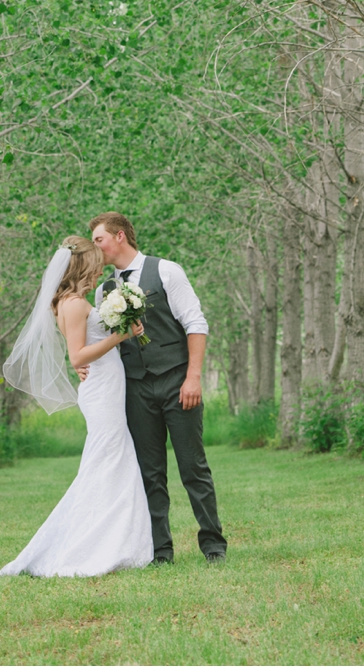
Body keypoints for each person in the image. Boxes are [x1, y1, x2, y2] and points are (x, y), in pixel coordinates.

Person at [0, 235, 153, 577]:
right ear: (82, 266)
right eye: (95, 268)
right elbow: (78, 355)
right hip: (101, 389)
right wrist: (121, 336)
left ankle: (117, 540)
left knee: (111, 457)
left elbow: (79, 353)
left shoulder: (69, 302)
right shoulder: (74, 304)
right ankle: (99, 544)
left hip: (105, 386)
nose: (99, 274)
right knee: (109, 458)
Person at [91, 211, 227, 566]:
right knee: (149, 472)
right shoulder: (103, 290)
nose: (95, 248)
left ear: (119, 237)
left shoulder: (167, 270)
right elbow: (104, 344)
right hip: (135, 389)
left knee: (192, 467)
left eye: (98, 240)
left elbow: (196, 323)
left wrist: (193, 377)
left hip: (177, 381)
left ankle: (213, 546)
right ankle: (160, 551)